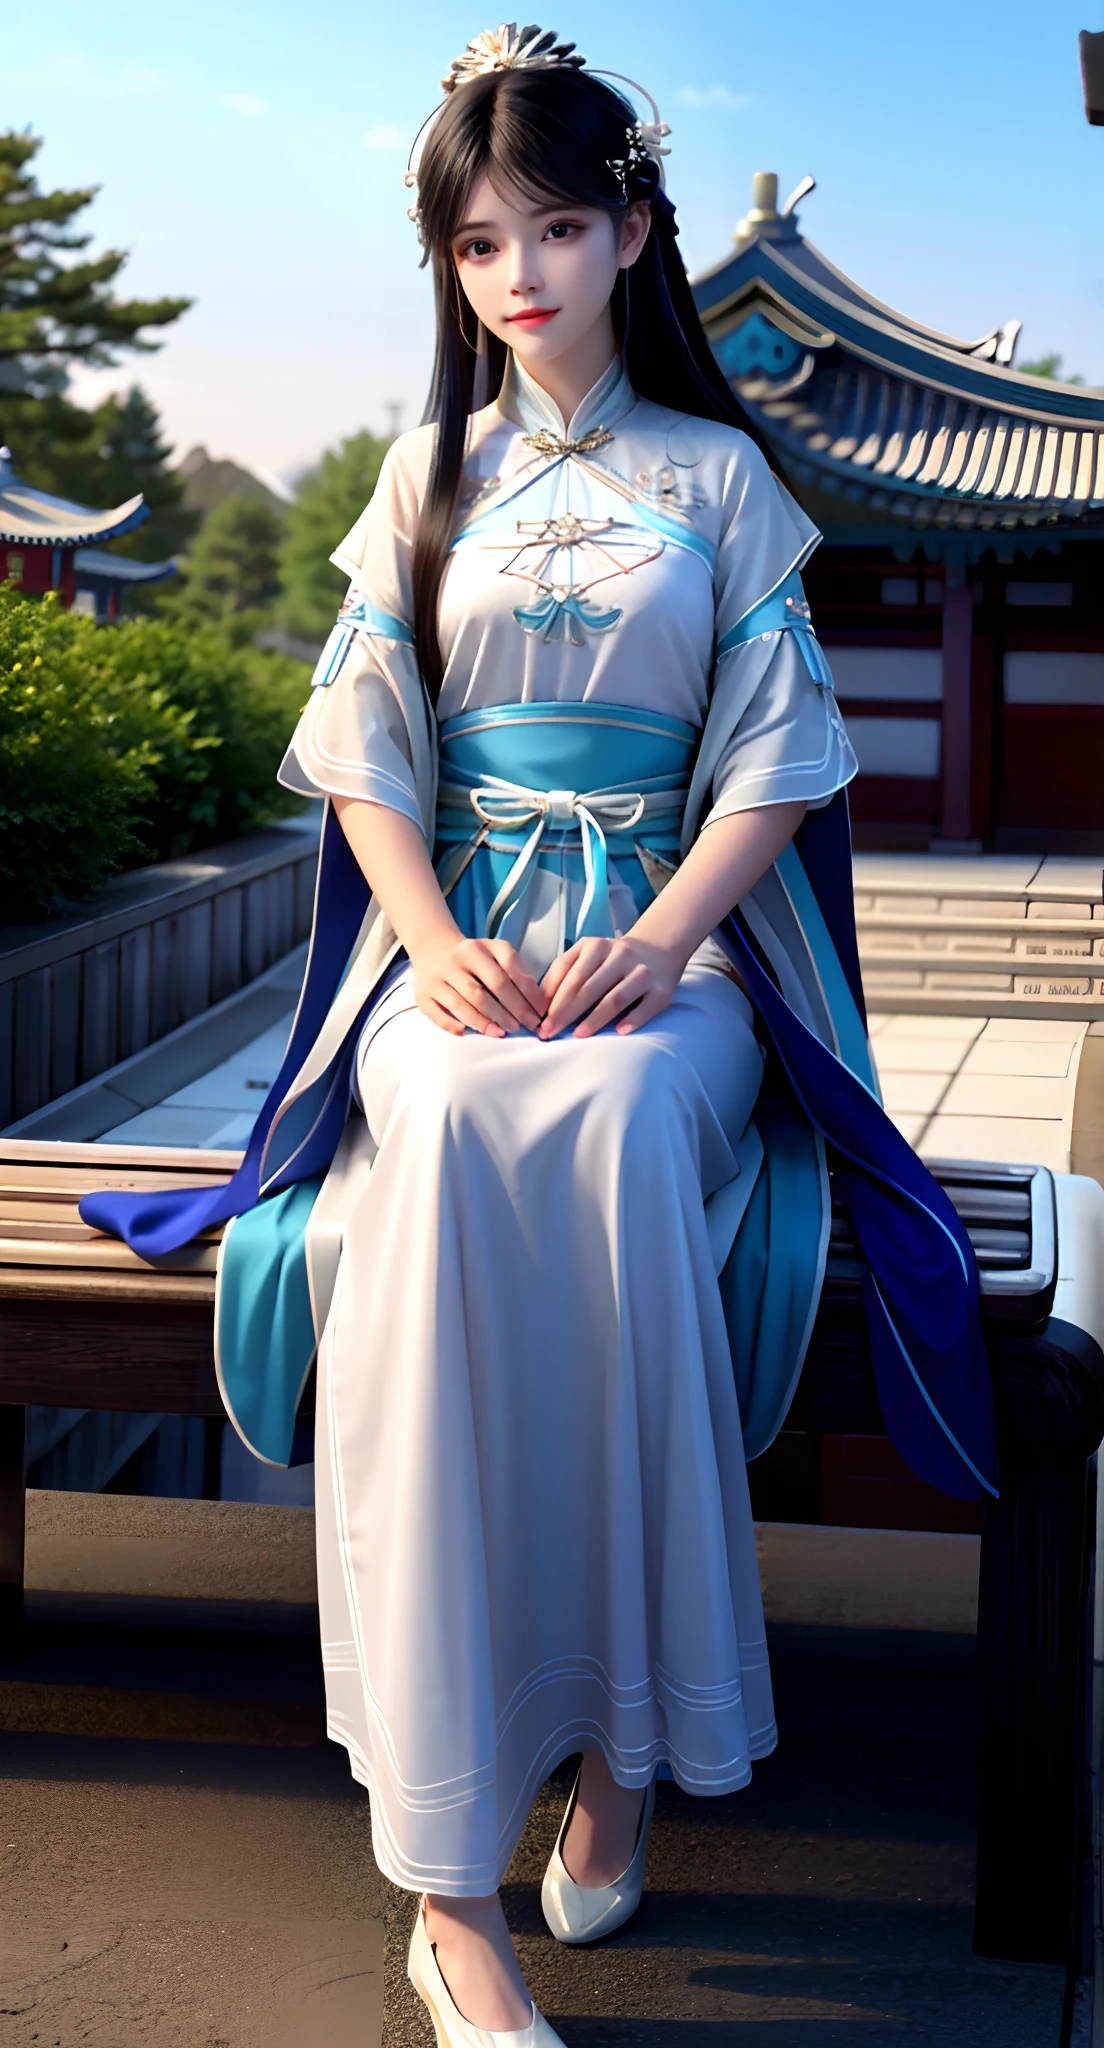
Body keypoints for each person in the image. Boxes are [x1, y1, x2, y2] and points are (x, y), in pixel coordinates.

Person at [81, 23, 998, 2046]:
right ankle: (443, 1872)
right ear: (452, 262)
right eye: (483, 238)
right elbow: (369, 764)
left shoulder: (726, 480)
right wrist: (428, 946)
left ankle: (619, 1743)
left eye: (560, 227)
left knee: (600, 1134)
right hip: (465, 945)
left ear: (634, 235)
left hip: (676, 956)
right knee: (461, 1136)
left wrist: (671, 946)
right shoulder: (420, 484)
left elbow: (775, 761)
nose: (522, 271)